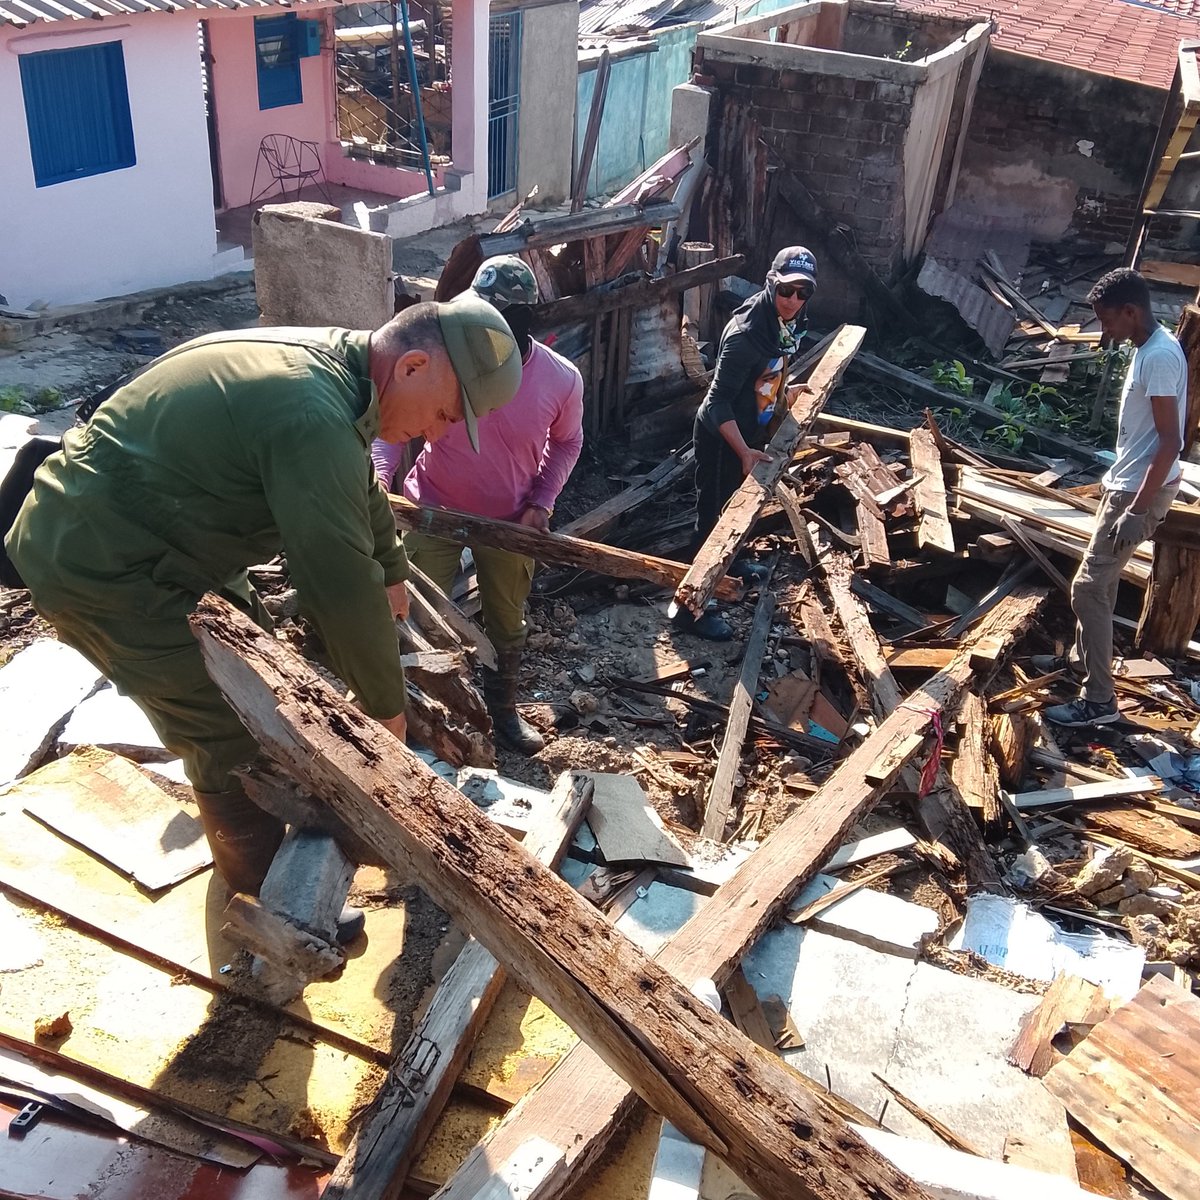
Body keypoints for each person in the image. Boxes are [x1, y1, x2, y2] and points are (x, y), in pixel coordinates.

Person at [5, 298, 522, 899]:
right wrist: (387, 720)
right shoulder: (308, 410)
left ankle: (267, 857)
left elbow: (358, 480)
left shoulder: (339, 368)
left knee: (265, 685)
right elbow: (334, 582)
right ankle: (260, 903)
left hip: (168, 539)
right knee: (225, 726)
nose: (436, 434)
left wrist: (390, 567)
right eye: (443, 414)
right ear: (411, 366)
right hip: (103, 559)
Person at [373, 256, 584, 755]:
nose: (484, 328)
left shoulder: (560, 379)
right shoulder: (446, 359)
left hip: (509, 521)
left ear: (524, 319)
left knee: (507, 622)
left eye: (500, 316)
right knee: (411, 612)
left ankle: (503, 714)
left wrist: (542, 501)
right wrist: (381, 475)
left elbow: (568, 443)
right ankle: (413, 714)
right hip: (432, 510)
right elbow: (391, 415)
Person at [1039, 268, 1186, 727]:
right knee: (1100, 583)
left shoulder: (1159, 357)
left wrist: (1138, 509)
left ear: (1131, 311)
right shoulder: (1148, 349)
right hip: (1126, 484)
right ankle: (1084, 664)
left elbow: (1170, 442)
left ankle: (1100, 700)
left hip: (1139, 491)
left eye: (1108, 320)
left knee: (1087, 587)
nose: (1105, 330)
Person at [678, 246, 817, 640]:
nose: (793, 301)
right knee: (712, 521)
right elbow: (715, 403)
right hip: (723, 440)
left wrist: (782, 392)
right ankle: (691, 609)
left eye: (802, 293)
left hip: (749, 432)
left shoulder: (787, 324)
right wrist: (743, 452)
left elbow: (767, 372)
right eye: (786, 291)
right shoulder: (745, 335)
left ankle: (731, 564)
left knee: (734, 513)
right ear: (772, 283)